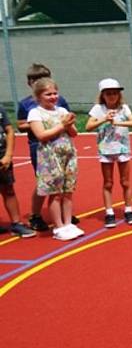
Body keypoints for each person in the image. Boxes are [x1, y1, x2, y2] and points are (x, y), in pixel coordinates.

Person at [16, 63, 80, 231]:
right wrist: (40, 125)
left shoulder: (60, 103)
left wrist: (67, 123)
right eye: (35, 80)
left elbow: (70, 126)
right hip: (42, 148)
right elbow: (22, 125)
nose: (52, 96)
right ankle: (36, 215)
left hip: (64, 148)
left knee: (66, 186)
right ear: (30, 83)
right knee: (45, 183)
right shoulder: (27, 105)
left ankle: (65, 218)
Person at [85, 78, 132, 228]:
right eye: (108, 94)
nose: (112, 96)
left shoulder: (124, 108)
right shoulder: (98, 109)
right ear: (103, 95)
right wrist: (104, 119)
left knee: (125, 181)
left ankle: (129, 210)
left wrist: (118, 122)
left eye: (115, 93)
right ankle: (109, 212)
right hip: (106, 150)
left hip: (122, 148)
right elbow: (88, 126)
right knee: (108, 182)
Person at [0, 104, 36, 238]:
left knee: (8, 189)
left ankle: (16, 223)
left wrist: (8, 154)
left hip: (2, 157)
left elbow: (9, 131)